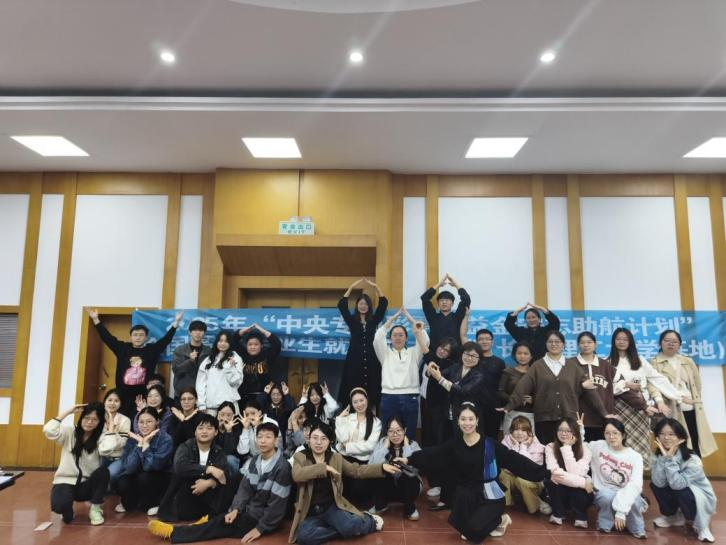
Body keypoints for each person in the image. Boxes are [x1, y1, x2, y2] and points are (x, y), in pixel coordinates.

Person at [399, 402, 547, 542]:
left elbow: (514, 460)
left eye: (471, 419)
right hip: (467, 494)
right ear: (458, 421)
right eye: (463, 419)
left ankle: (500, 519)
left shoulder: (489, 444)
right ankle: (489, 521)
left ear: (477, 421)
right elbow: (434, 454)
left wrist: (544, 473)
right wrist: (409, 459)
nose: (467, 423)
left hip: (491, 494)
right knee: (459, 524)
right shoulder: (455, 444)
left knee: (471, 533)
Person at [148, 422, 292, 544]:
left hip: (259, 518)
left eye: (268, 437)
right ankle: (205, 521)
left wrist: (260, 528)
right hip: (248, 509)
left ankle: (174, 532)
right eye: (260, 437)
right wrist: (236, 509)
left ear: (276, 440)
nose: (263, 441)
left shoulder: (282, 467)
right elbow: (245, 489)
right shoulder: (256, 460)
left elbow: (277, 505)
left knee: (219, 525)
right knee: (226, 506)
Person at [289, 420, 400, 545]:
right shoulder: (301, 456)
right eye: (315, 438)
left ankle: (370, 521)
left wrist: (381, 467)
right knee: (304, 537)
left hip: (331, 508)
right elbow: (297, 475)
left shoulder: (335, 458)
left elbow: (357, 470)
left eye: (323, 438)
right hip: (310, 512)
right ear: (309, 439)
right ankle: (343, 529)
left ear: (329, 441)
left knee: (348, 526)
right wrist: (323, 468)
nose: (319, 442)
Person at [501, 330, 610, 445]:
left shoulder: (573, 366)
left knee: (567, 450)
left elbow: (590, 390)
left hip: (568, 418)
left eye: (557, 342)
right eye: (550, 341)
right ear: (546, 344)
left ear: (563, 345)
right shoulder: (537, 366)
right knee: (545, 451)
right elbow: (523, 386)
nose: (554, 344)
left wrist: (604, 413)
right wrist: (510, 405)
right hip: (544, 419)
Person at [86, 307, 183, 417]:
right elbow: (107, 338)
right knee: (120, 419)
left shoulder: (151, 350)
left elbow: (165, 340)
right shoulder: (122, 348)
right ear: (131, 337)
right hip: (122, 394)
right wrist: (96, 320)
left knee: (140, 419)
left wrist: (176, 323)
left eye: (141, 335)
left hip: (143, 395)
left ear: (146, 337)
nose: (138, 337)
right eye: (135, 335)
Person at [609, 327, 683, 469]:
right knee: (619, 439)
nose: (622, 342)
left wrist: (677, 395)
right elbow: (607, 387)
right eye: (618, 339)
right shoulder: (608, 361)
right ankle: (620, 474)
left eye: (625, 339)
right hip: (619, 406)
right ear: (613, 341)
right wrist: (625, 384)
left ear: (630, 341)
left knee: (640, 440)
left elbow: (657, 378)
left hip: (640, 407)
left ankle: (638, 475)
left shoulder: (640, 360)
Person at [648, 330, 716, 459]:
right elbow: (652, 385)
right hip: (669, 409)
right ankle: (668, 470)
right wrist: (660, 402)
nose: (671, 344)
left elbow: (696, 384)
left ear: (680, 345)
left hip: (690, 408)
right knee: (669, 442)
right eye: (667, 341)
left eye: (675, 341)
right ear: (660, 343)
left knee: (693, 441)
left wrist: (694, 400)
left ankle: (694, 469)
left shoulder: (687, 361)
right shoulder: (654, 362)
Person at [158, 413, 237, 522]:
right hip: (186, 496)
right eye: (200, 428)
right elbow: (180, 467)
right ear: (195, 431)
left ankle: (214, 514)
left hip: (207, 499)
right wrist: (208, 469)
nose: (204, 431)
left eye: (209, 428)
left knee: (234, 480)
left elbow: (224, 476)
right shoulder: (185, 447)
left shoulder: (218, 451)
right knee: (187, 476)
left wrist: (209, 483)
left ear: (216, 432)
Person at [651, 418, 716, 543]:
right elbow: (658, 483)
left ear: (681, 437)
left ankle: (700, 525)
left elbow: (678, 485)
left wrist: (670, 459)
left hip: (698, 495)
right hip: (677, 488)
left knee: (682, 489)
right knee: (655, 484)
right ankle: (672, 516)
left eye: (671, 434)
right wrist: (665, 459)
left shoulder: (693, 459)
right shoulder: (657, 456)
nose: (666, 438)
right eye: (662, 434)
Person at [43, 403, 110, 525]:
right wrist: (68, 411)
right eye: (86, 418)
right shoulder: (70, 432)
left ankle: (95, 509)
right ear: (81, 418)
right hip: (65, 481)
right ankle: (67, 509)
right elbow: (49, 430)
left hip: (86, 484)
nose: (89, 422)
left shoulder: (101, 436)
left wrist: (110, 426)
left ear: (100, 422)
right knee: (59, 507)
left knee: (103, 472)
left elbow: (109, 448)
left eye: (94, 419)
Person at [373, 307, 429, 440]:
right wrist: (391, 321)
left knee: (409, 434)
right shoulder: (385, 353)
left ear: (406, 338)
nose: (398, 338)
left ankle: (407, 454)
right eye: (394, 335)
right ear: (390, 338)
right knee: (389, 434)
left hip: (410, 397)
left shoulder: (414, 352)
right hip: (388, 397)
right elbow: (377, 339)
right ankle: (389, 454)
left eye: (401, 335)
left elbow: (425, 340)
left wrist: (410, 319)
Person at [589, 418, 647, 538]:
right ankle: (606, 524)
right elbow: (580, 448)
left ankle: (635, 527)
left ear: (623, 435)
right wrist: (579, 430)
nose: (611, 437)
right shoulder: (598, 446)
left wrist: (621, 511)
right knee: (606, 496)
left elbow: (635, 484)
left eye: (615, 433)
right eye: (607, 433)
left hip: (627, 491)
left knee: (634, 499)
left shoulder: (635, 456)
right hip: (605, 492)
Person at [338, 278, 388, 406]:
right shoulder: (352, 320)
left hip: (372, 358)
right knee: (354, 385)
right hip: (354, 358)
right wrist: (351, 287)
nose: (363, 306)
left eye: (366, 304)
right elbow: (342, 305)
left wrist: (376, 287)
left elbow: (383, 304)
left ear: (369, 306)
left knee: (373, 387)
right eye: (361, 304)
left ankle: (372, 414)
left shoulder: (374, 320)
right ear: (357, 305)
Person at [115, 406, 174, 516]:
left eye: (149, 422)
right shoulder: (133, 438)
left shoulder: (165, 439)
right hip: (138, 473)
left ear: (157, 422)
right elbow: (129, 467)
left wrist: (146, 446)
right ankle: (132, 503)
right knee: (122, 480)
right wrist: (139, 444)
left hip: (160, 475)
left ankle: (155, 504)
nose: (144, 425)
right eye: (141, 422)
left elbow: (151, 466)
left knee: (144, 478)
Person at [419, 336, 458, 499]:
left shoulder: (449, 365)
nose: (442, 351)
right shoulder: (431, 357)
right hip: (425, 405)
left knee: (437, 444)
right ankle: (432, 481)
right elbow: (424, 348)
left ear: (450, 354)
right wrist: (417, 330)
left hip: (439, 410)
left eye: (446, 350)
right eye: (441, 347)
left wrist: (433, 372)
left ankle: (439, 484)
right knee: (427, 442)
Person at [368, 415, 422, 520]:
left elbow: (414, 469)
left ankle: (410, 508)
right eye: (391, 431)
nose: (395, 434)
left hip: (410, 489)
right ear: (387, 432)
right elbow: (372, 466)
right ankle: (381, 505)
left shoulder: (413, 445)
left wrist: (406, 446)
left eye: (398, 430)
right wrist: (385, 447)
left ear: (405, 430)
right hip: (389, 488)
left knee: (406, 474)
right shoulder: (382, 443)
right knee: (381, 470)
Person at [544, 416, 592, 527]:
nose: (563, 433)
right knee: (552, 481)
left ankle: (581, 516)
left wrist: (566, 447)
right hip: (562, 490)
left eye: (568, 430)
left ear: (575, 432)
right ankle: (558, 513)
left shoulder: (585, 449)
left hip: (579, 493)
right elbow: (555, 473)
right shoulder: (550, 447)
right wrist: (583, 482)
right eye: (560, 430)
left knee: (579, 490)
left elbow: (576, 473)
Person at [499, 416, 549, 516]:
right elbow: (506, 464)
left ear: (529, 432)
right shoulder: (505, 442)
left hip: (533, 480)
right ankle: (505, 505)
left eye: (523, 430)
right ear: (511, 431)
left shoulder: (538, 446)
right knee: (503, 473)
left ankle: (536, 506)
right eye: (516, 429)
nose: (519, 433)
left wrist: (522, 447)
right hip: (513, 476)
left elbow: (529, 469)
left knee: (521, 480)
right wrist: (515, 446)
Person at [571, 332, 615, 441]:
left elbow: (620, 385)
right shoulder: (570, 364)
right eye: (582, 342)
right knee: (581, 449)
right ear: (578, 345)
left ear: (595, 345)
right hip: (580, 419)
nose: (586, 345)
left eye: (589, 342)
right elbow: (565, 390)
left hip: (603, 419)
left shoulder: (605, 365)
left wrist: (644, 406)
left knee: (602, 450)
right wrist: (581, 386)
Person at [468, 324, 505, 438]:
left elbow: (503, 386)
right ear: (476, 342)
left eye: (487, 339)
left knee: (492, 437)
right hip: (473, 405)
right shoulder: (470, 360)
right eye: (481, 339)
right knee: (473, 436)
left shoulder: (499, 362)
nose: (484, 342)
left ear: (492, 342)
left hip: (493, 406)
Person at [196, 330, 243, 415]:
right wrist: (201, 403)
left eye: (226, 341)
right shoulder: (209, 359)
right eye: (220, 341)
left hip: (229, 408)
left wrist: (230, 368)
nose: (223, 343)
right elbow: (201, 383)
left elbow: (236, 382)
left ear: (230, 343)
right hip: (210, 408)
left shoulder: (235, 358)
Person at [233, 323, 281, 405]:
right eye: (250, 344)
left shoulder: (267, 355)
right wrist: (243, 331)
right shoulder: (242, 355)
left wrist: (263, 331)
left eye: (256, 344)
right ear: (246, 346)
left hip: (263, 396)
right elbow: (233, 340)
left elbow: (276, 344)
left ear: (261, 345)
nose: (253, 347)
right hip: (244, 397)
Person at [421, 273, 471, 350]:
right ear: (438, 304)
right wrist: (439, 284)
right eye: (441, 300)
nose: (444, 302)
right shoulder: (432, 317)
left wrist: (455, 284)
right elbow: (425, 298)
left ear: (452, 303)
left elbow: (466, 299)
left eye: (447, 300)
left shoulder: (458, 317)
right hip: (435, 353)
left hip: (455, 354)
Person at [335, 388, 382, 463]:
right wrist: (340, 418)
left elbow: (370, 446)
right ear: (352, 404)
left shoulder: (376, 422)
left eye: (361, 400)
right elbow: (342, 439)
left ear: (367, 400)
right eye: (355, 402)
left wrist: (347, 446)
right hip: (342, 456)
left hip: (362, 461)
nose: (359, 404)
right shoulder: (348, 418)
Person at [498, 342, 535, 434]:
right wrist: (516, 399)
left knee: (529, 441)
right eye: (519, 353)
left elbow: (542, 393)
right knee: (509, 441)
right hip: (511, 412)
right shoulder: (508, 372)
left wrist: (533, 400)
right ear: (514, 355)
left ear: (531, 356)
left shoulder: (535, 373)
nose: (522, 356)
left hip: (530, 414)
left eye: (526, 353)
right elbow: (500, 392)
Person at [98, 388, 131, 485]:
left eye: (116, 401)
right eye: (110, 400)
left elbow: (122, 443)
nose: (112, 403)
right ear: (104, 401)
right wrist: (113, 433)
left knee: (110, 475)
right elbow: (97, 440)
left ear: (120, 403)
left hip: (118, 457)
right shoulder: (98, 418)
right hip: (100, 456)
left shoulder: (125, 420)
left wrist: (112, 430)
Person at [172, 319, 210, 401]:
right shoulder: (180, 350)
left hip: (203, 394)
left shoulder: (209, 351)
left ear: (204, 333)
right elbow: (176, 370)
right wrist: (190, 361)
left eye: (201, 330)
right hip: (183, 394)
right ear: (190, 332)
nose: (198, 333)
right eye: (195, 330)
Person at [262, 381, 295, 447]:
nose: (276, 397)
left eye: (279, 394)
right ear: (270, 395)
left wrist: (286, 394)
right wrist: (265, 393)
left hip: (284, 442)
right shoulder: (266, 408)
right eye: (273, 394)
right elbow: (257, 406)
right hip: (268, 443)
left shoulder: (286, 407)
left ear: (282, 395)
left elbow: (293, 409)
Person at [215, 401, 243, 473]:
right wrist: (219, 429)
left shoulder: (237, 428)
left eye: (229, 415)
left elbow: (229, 451)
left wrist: (228, 431)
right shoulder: (212, 426)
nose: (225, 418)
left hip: (231, 458)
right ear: (218, 414)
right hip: (215, 458)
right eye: (222, 414)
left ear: (233, 416)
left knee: (229, 459)